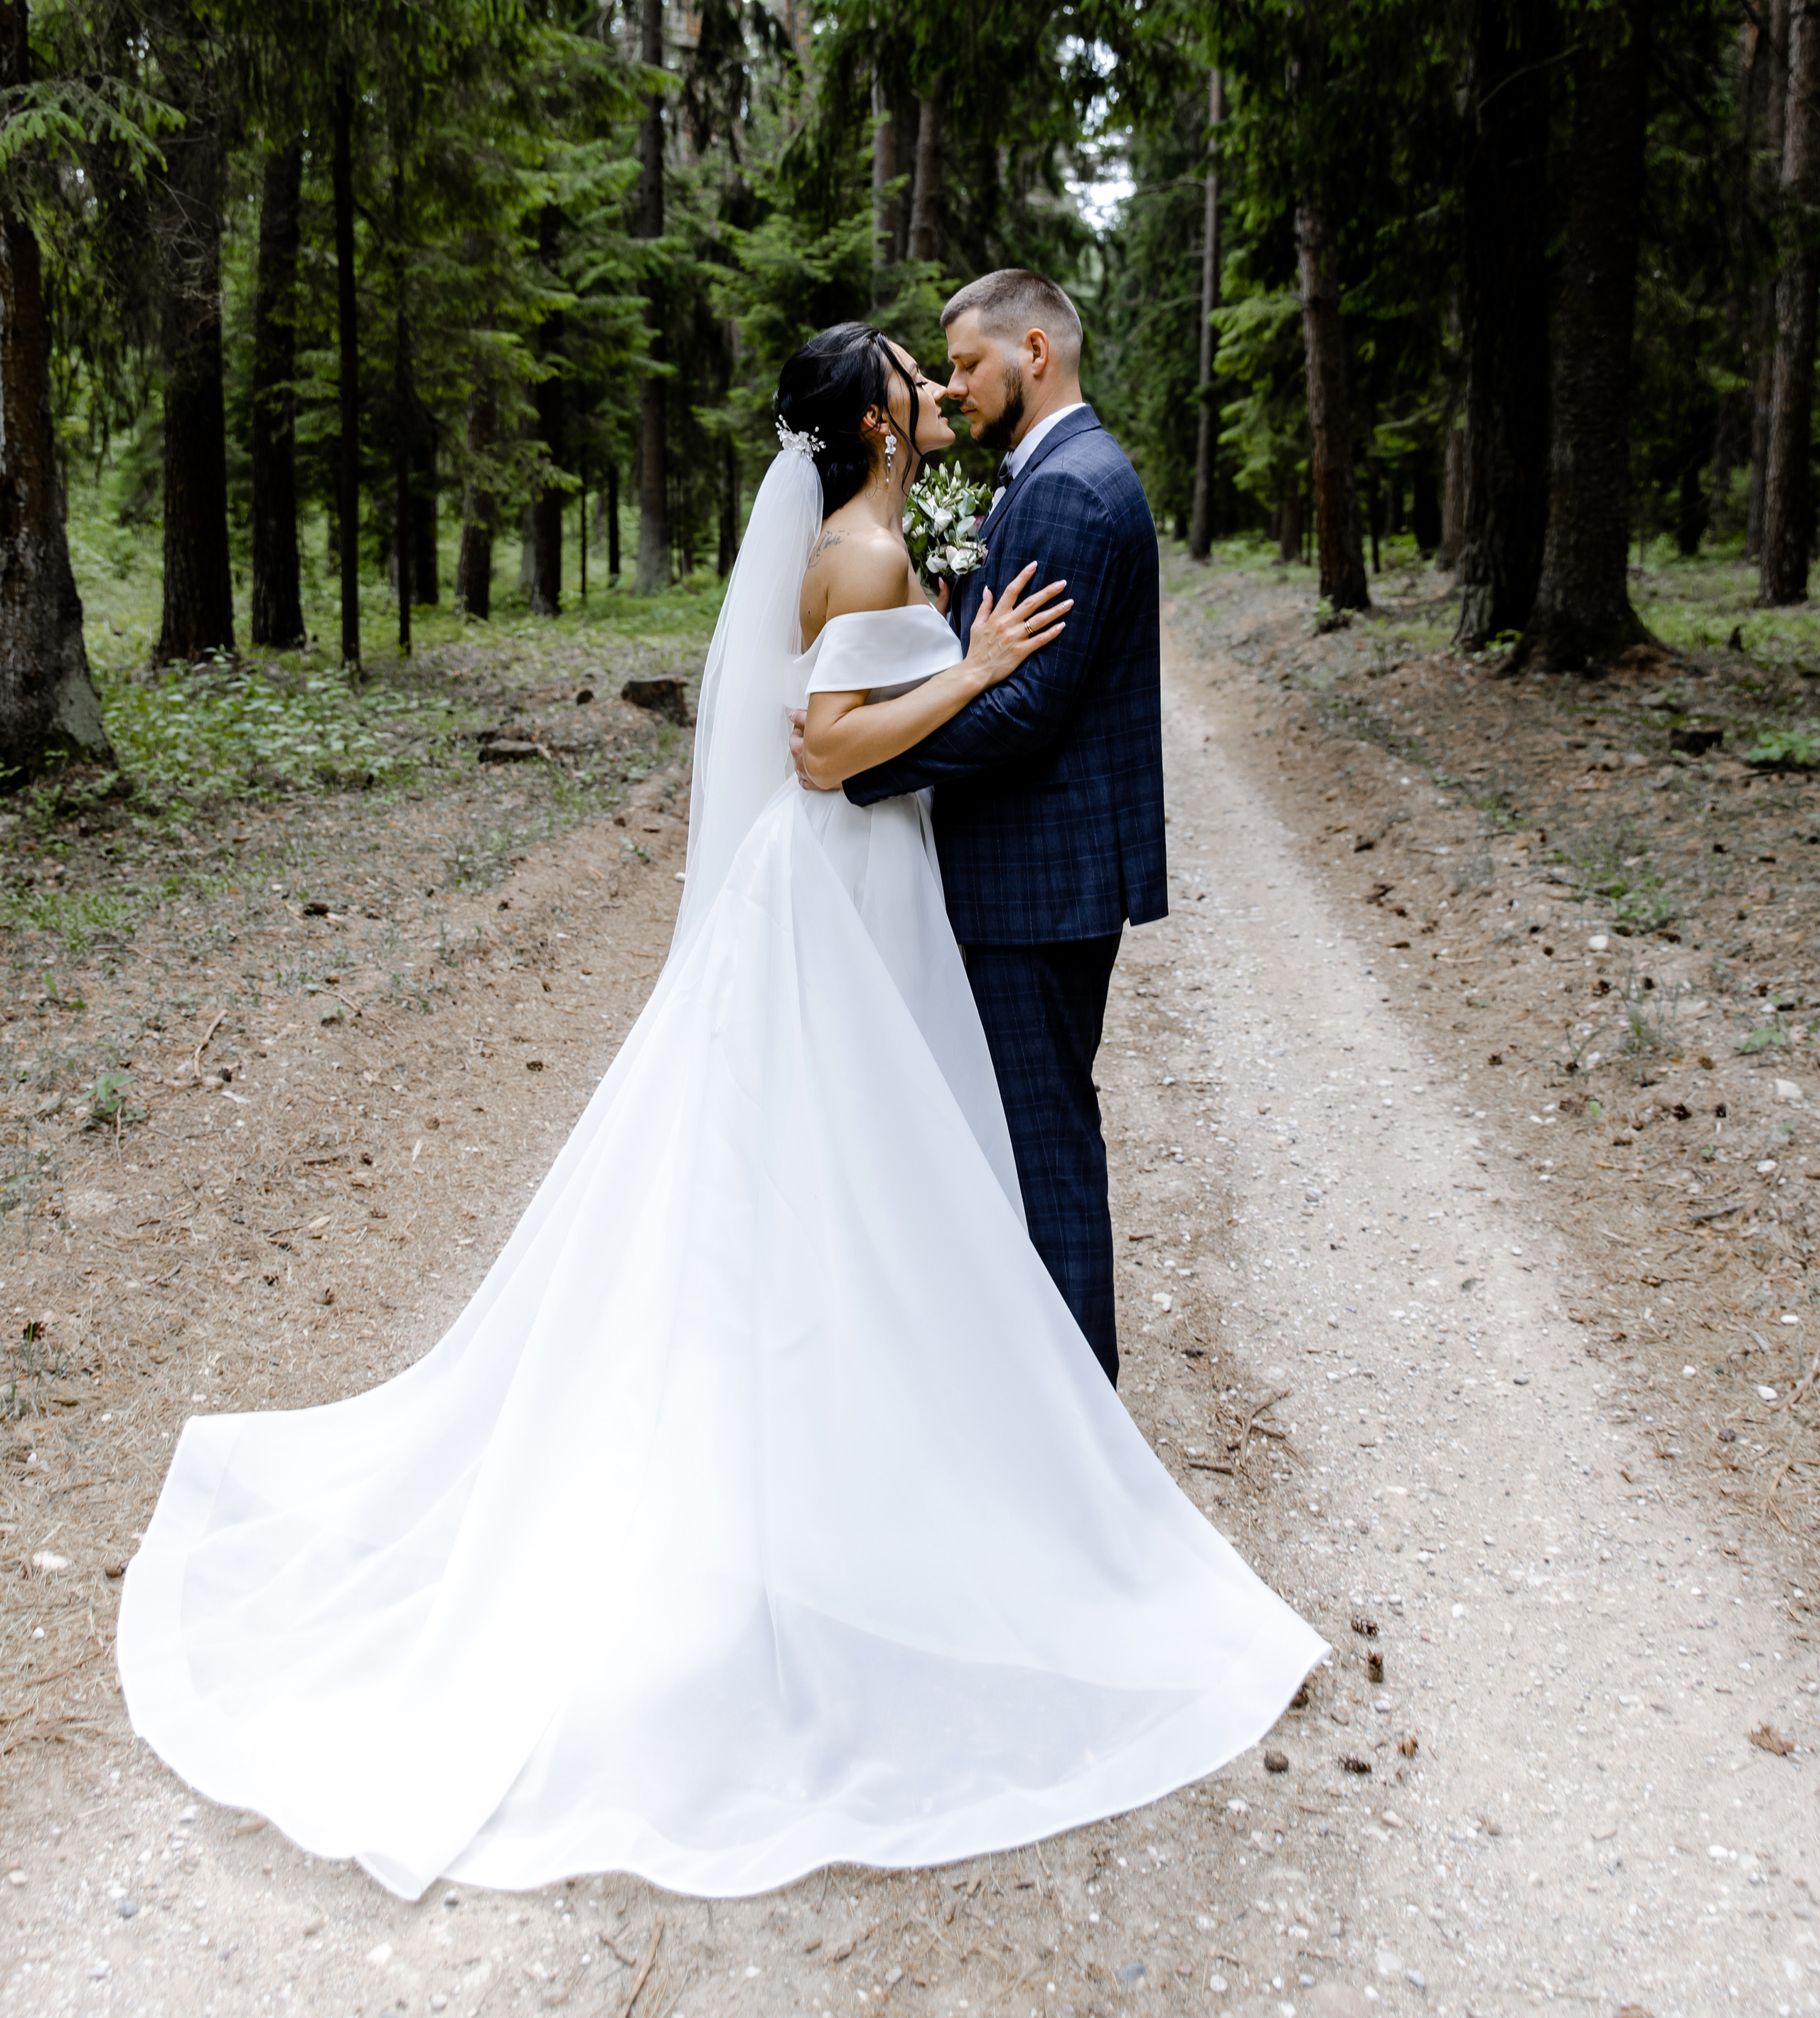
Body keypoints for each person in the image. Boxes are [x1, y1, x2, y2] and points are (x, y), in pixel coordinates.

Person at [117, 321, 1322, 1908]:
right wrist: (969, 664)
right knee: (858, 1182)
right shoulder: (866, 544)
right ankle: (872, 1503)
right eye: (912, 370)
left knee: (851, 1191)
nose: (931, 385)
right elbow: (820, 752)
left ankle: (872, 1480)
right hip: (836, 885)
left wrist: (949, 640)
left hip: (854, 894)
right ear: (876, 419)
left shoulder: (870, 533)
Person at [825, 270, 1159, 1387]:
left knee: (1045, 1151)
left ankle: (1083, 1438)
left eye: (966, 365)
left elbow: (1021, 710)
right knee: (1017, 1144)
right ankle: (1037, 1416)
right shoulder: (1051, 475)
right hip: (1035, 876)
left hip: (1036, 883)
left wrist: (853, 766)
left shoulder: (1069, 487)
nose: (956, 387)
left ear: (1035, 350)